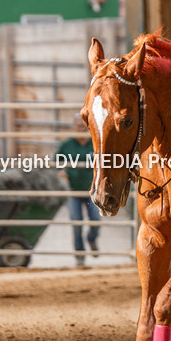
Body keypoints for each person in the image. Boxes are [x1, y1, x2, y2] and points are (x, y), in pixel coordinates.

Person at [56, 113, 100, 267]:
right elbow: (56, 163)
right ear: (73, 127)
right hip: (73, 191)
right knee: (77, 223)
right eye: (78, 126)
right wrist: (61, 171)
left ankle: (92, 239)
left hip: (92, 191)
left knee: (96, 220)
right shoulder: (66, 145)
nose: (81, 129)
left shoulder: (95, 144)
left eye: (84, 127)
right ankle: (80, 255)